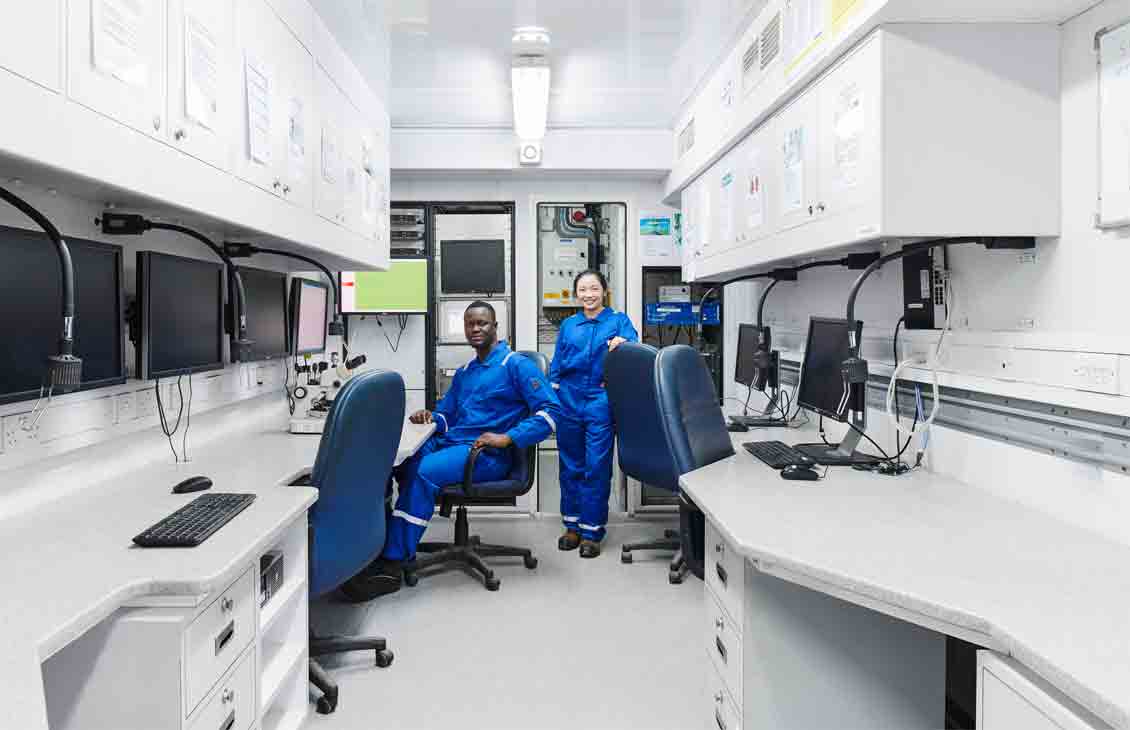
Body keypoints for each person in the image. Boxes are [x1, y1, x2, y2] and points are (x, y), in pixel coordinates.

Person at [363, 301, 560, 596]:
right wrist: (431, 417)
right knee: (396, 463)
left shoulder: (516, 365)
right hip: (454, 444)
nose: (476, 328)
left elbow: (551, 412)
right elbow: (448, 415)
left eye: (482, 323)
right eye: (470, 324)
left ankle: (393, 559)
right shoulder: (466, 371)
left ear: (495, 327)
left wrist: (509, 437)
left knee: (424, 473)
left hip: (486, 455)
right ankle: (383, 544)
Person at [549, 270, 638, 558]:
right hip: (569, 398)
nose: (588, 295)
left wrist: (623, 345)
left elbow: (635, 349)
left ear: (604, 291)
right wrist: (553, 397)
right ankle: (572, 526)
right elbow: (557, 365)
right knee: (570, 465)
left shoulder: (617, 321)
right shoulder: (569, 325)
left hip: (601, 399)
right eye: (583, 290)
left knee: (596, 466)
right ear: (577, 294)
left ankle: (592, 531)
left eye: (594, 289)